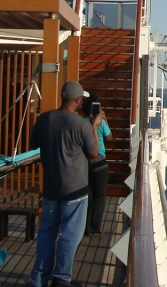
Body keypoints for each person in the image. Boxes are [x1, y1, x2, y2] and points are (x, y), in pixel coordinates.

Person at [29, 81, 101, 287]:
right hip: (75, 189)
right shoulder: (81, 124)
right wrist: (94, 126)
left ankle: (38, 278)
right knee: (70, 233)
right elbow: (93, 152)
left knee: (46, 232)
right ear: (78, 100)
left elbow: (34, 144)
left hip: (51, 186)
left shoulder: (44, 120)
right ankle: (61, 277)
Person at [81, 93, 111, 235]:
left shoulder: (81, 122)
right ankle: (95, 227)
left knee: (88, 195)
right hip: (99, 161)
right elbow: (109, 137)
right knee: (100, 196)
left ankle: (85, 226)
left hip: (84, 161)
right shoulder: (100, 122)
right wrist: (105, 120)